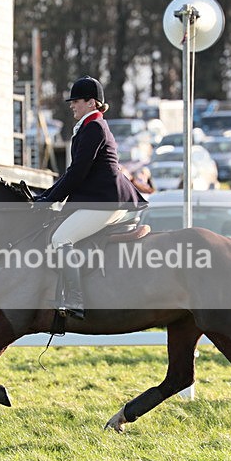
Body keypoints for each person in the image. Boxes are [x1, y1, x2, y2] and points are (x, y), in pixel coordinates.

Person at [34, 76, 146, 319]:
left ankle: (75, 298)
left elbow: (77, 172)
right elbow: (73, 174)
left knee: (61, 238)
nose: (72, 105)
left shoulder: (94, 127)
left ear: (92, 103)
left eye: (76, 100)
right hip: (100, 199)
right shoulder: (88, 127)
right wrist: (46, 196)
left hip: (106, 201)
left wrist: (50, 199)